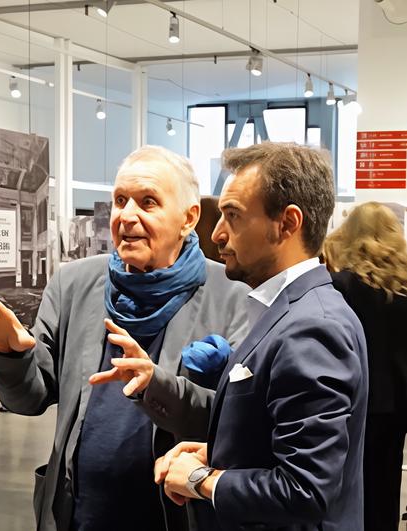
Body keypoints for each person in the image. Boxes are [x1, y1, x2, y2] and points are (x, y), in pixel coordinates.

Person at [0, 145, 250, 531]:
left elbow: (237, 424)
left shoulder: (232, 296)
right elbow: (29, 398)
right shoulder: (74, 284)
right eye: (120, 200)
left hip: (175, 516)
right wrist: (10, 352)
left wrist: (156, 386)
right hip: (80, 513)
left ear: (188, 218)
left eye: (148, 202)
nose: (127, 216)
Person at [94, 143, 368, 531]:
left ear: (287, 223)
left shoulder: (312, 328)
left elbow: (306, 489)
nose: (218, 234)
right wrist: (221, 453)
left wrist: (200, 480)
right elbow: (282, 447)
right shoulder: (288, 312)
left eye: (233, 217)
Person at [323, 201, 407, 531]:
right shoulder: (402, 289)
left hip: (352, 397)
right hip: (398, 403)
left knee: (348, 484)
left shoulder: (339, 285)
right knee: (386, 481)